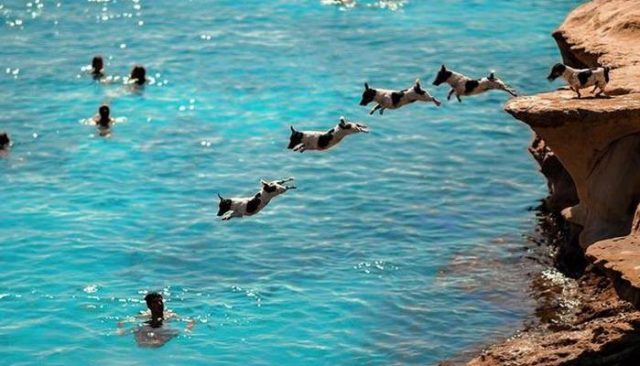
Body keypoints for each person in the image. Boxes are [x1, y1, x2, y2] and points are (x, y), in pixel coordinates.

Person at [117, 292, 195, 348]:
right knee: (139, 333)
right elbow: (122, 321)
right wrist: (120, 330)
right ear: (149, 306)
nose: (160, 304)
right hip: (151, 328)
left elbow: (190, 321)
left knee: (172, 332)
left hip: (163, 329)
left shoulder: (169, 315)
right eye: (156, 302)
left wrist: (188, 330)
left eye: (160, 301)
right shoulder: (146, 315)